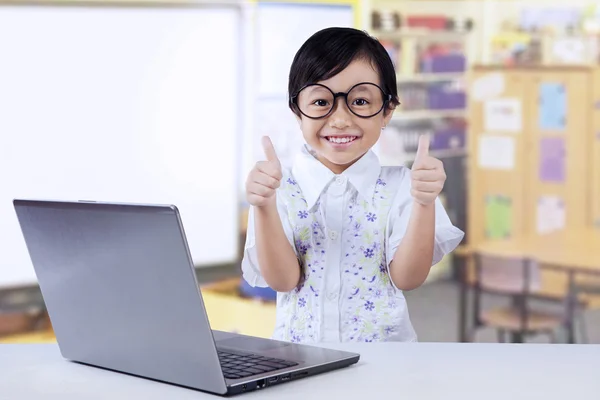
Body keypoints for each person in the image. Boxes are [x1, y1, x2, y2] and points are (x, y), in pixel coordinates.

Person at [242, 27, 464, 343]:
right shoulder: (277, 187)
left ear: (387, 110)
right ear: (297, 110)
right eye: (321, 101)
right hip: (301, 361)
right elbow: (283, 280)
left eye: (360, 100)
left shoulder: (403, 185)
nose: (341, 119)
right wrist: (263, 207)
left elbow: (408, 278)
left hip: (386, 366)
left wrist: (424, 203)